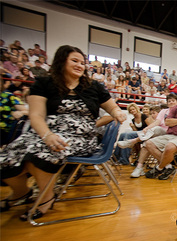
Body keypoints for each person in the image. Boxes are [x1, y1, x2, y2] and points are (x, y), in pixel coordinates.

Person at [0, 45, 126, 217]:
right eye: (75, 61)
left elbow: (113, 108)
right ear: (61, 62)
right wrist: (47, 135)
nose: (80, 65)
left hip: (81, 137)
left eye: (82, 63)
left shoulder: (93, 86)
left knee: (41, 152)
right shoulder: (44, 83)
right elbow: (36, 114)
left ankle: (46, 198)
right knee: (8, 155)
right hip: (47, 132)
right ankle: (21, 192)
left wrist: (117, 112)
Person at [120, 94, 177, 178]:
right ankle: (140, 167)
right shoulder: (163, 111)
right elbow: (156, 122)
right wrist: (147, 128)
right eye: (169, 101)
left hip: (170, 134)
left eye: (173, 100)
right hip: (158, 134)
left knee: (156, 129)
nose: (171, 102)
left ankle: (134, 141)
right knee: (146, 143)